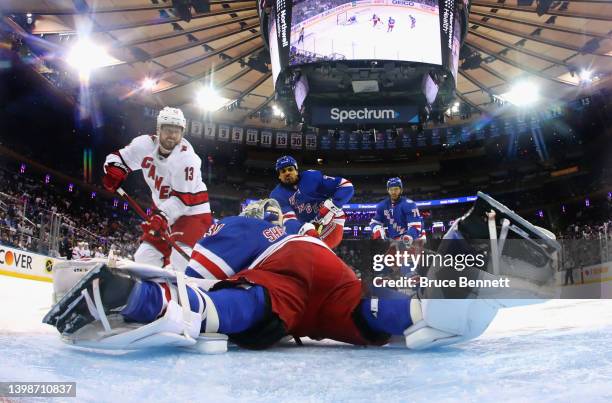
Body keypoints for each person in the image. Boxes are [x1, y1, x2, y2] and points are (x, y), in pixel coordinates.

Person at [44, 193, 560, 353]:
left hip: (284, 279)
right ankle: (459, 263)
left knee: (241, 308)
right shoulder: (304, 230)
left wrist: (147, 280)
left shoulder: (247, 227)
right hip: (327, 284)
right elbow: (334, 232)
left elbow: (199, 276)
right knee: (385, 312)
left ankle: (134, 301)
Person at [102, 106, 212, 271]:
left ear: (182, 132)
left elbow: (182, 201)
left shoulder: (187, 159)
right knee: (144, 257)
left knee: (180, 260)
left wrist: (161, 217)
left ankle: (186, 294)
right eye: (168, 129)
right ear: (158, 129)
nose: (172, 135)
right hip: (163, 211)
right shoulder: (144, 145)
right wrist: (114, 170)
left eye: (177, 131)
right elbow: (118, 158)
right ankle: (155, 294)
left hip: (192, 213)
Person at [270, 156, 353, 249]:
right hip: (307, 227)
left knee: (314, 251)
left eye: (290, 169)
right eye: (283, 171)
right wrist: (305, 229)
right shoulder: (277, 195)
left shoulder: (311, 177)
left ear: (296, 170)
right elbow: (288, 220)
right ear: (279, 176)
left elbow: (346, 186)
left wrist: (332, 207)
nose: (287, 173)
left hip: (331, 220)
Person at [370, 177, 424, 243]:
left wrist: (409, 236)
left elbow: (416, 226)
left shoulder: (409, 204)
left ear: (401, 190)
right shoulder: (382, 205)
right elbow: (374, 222)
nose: (393, 192)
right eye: (391, 189)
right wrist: (377, 230)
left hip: (412, 241)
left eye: (396, 189)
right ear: (388, 190)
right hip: (393, 242)